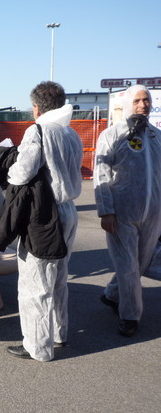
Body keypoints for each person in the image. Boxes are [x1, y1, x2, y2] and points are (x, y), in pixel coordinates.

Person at [5, 81, 83, 361]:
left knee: (34, 283)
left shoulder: (37, 130)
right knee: (59, 278)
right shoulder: (71, 133)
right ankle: (59, 334)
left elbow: (22, 172)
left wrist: (5, 167)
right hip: (68, 210)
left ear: (36, 107)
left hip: (44, 215)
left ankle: (37, 346)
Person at [94, 85, 161, 337]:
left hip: (153, 215)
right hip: (122, 214)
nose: (143, 105)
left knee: (139, 265)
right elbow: (100, 175)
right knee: (129, 267)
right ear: (129, 103)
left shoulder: (157, 136)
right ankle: (130, 316)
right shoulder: (112, 135)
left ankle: (112, 294)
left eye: (147, 100)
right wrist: (105, 210)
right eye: (138, 100)